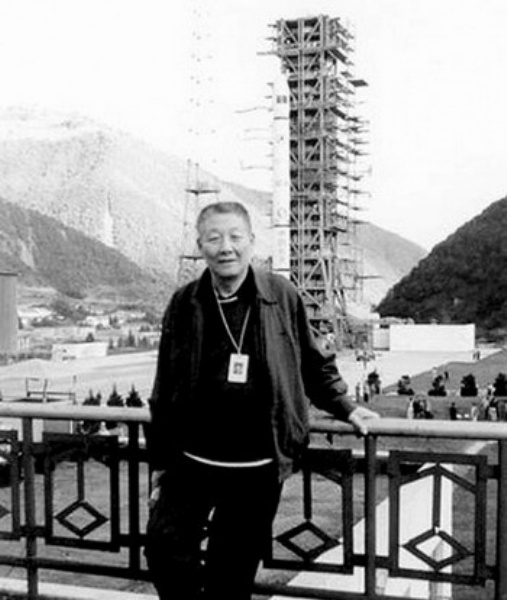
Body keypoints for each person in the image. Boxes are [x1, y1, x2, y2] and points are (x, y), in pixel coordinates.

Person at [144, 201, 378, 600]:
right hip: (193, 460)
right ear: (200, 246)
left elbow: (313, 362)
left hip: (258, 465)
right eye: (214, 238)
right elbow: (164, 387)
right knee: (164, 549)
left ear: (251, 241)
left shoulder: (280, 294)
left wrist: (346, 406)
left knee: (231, 576)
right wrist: (161, 462)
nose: (226, 247)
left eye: (235, 236)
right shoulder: (184, 302)